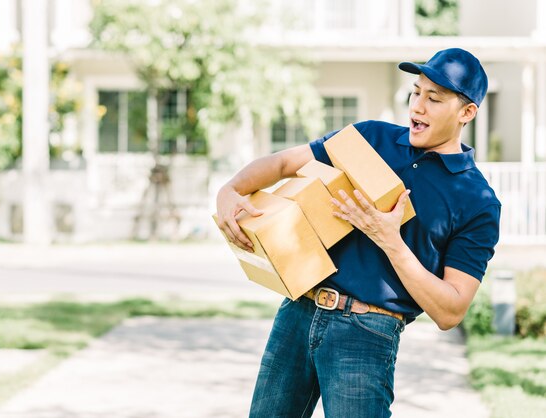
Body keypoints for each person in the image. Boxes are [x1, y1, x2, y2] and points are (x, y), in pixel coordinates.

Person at [215, 48, 501, 417]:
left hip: (368, 333)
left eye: (434, 99)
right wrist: (230, 190)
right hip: (297, 313)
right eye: (415, 93)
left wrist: (389, 240)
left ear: (466, 113)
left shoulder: (477, 200)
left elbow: (450, 311)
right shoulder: (370, 138)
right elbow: (286, 163)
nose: (418, 107)